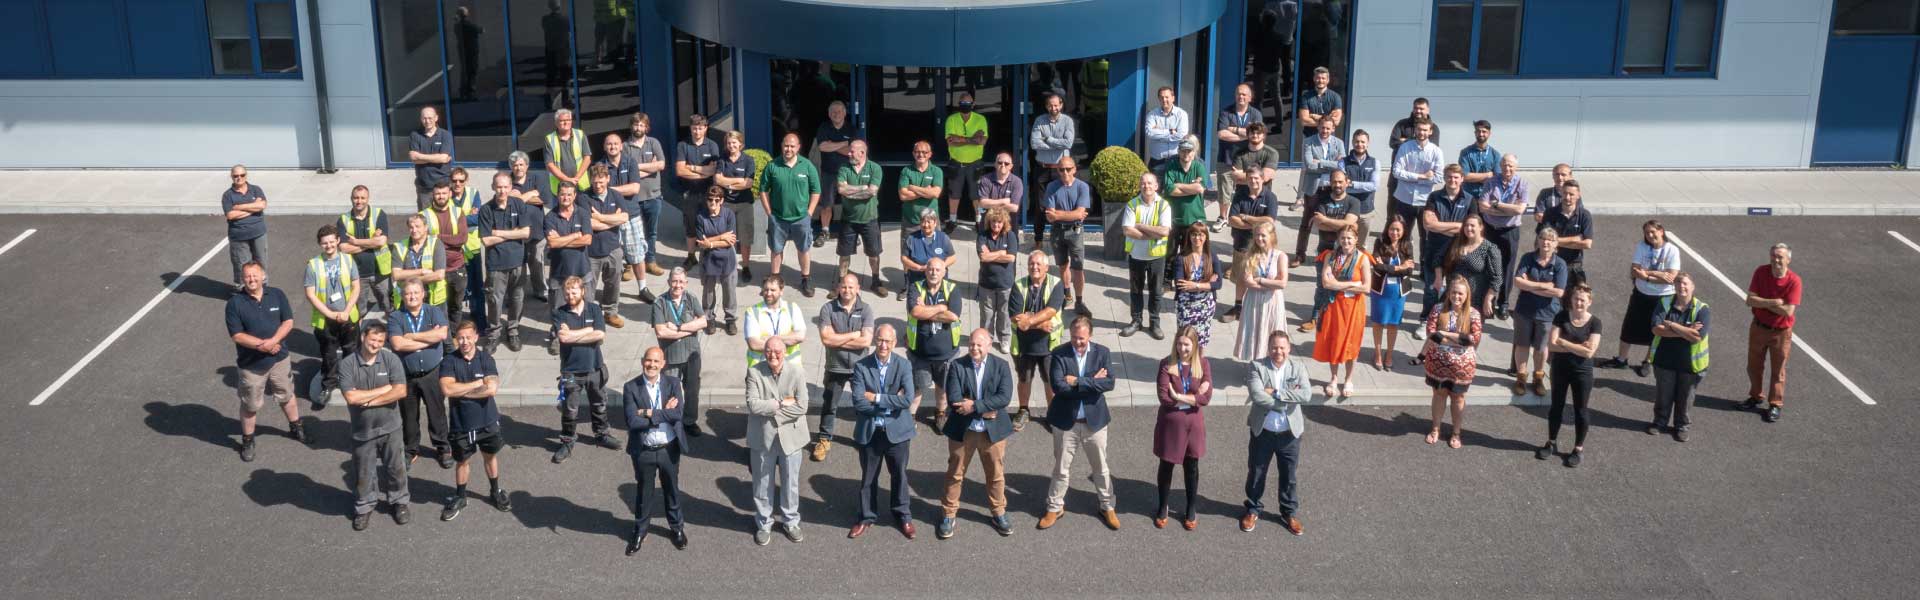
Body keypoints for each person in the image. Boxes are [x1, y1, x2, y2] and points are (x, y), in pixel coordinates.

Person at [1038, 315, 1120, 531]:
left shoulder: (1102, 353)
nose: (1078, 342)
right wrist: (1093, 383)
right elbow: (1059, 387)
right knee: (1061, 468)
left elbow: (1109, 383)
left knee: (1100, 468)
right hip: (1066, 422)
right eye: (1074, 337)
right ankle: (1055, 506)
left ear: (1090, 335)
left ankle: (1107, 506)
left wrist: (1077, 381)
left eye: (1082, 338)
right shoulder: (1059, 353)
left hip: (1095, 423)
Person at [938, 329, 1016, 539]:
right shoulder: (957, 365)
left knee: (996, 475)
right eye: (972, 344)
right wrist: (984, 410)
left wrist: (973, 406)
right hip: (963, 430)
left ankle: (998, 512)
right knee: (955, 474)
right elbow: (954, 399)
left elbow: (1004, 397)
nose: (974, 348)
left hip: (993, 432)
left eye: (979, 345)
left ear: (989, 345)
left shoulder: (1001, 366)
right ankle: (948, 514)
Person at [225, 261, 303, 461]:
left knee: (287, 395)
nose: (251, 279)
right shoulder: (234, 303)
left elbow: (288, 322)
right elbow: (237, 335)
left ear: (263, 276)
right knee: (250, 405)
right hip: (251, 365)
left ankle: (296, 427)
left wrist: (273, 342)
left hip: (279, 359)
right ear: (242, 279)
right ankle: (248, 440)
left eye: (255, 275)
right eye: (247, 276)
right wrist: (263, 345)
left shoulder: (277, 294)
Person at [437, 320, 513, 520]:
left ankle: (495, 491)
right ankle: (461, 496)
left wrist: (461, 391)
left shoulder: (486, 359)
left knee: (490, 457)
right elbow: (447, 389)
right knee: (462, 461)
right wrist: (477, 384)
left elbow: (491, 389)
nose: (464, 342)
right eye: (460, 338)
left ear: (476, 337)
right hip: (461, 425)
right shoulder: (449, 361)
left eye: (468, 337)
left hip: (487, 422)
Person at [849, 325, 918, 539]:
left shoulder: (904, 365)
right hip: (871, 432)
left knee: (900, 475)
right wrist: (891, 403)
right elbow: (858, 402)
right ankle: (866, 517)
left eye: (888, 341)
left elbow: (907, 400)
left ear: (894, 343)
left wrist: (876, 398)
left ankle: (903, 515)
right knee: (868, 478)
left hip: (897, 432)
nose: (883, 345)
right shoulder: (861, 366)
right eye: (880, 340)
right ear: (874, 341)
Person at [338, 320, 408, 530]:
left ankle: (399, 501)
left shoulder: (390, 359)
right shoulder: (347, 364)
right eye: (372, 340)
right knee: (364, 471)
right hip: (363, 431)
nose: (376, 344)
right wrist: (384, 390)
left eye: (380, 341)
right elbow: (351, 397)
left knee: (396, 468)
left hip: (391, 427)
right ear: (362, 337)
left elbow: (400, 391)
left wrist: (369, 401)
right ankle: (364, 506)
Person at [621, 347, 690, 553]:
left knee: (672, 489)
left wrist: (648, 413)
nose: (651, 365)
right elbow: (632, 421)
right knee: (644, 492)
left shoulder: (673, 383)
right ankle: (640, 530)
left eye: (656, 361)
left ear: (663, 364)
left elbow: (678, 414)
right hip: (644, 450)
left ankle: (677, 528)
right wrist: (663, 413)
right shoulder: (631, 387)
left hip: (669, 449)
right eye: (648, 360)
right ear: (642, 361)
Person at [1243, 331, 1310, 535]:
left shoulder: (1298, 367)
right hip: (1263, 432)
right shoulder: (1257, 366)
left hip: (1289, 434)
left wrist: (1276, 392)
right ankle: (1252, 509)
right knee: (1256, 473)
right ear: (1268, 348)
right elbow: (1257, 395)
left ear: (1289, 348)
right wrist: (1286, 403)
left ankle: (1289, 513)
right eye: (1274, 347)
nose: (1278, 351)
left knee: (1289, 476)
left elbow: (1306, 394)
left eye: (1282, 347)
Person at [550, 276, 620, 462]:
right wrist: (588, 330)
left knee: (599, 404)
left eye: (574, 292)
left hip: (595, 368)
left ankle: (602, 434)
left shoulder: (594, 309)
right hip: (570, 372)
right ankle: (567, 442)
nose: (570, 296)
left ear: (582, 291)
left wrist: (574, 334)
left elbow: (600, 334)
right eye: (567, 293)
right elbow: (564, 338)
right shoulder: (559, 313)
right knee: (569, 410)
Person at [746, 343, 810, 546]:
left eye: (777, 351)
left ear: (785, 352)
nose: (773, 355)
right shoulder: (754, 372)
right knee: (762, 483)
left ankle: (791, 521)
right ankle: (764, 523)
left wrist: (772, 411)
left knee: (790, 482)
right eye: (768, 351)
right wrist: (780, 404)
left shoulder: (797, 372)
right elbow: (753, 404)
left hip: (791, 438)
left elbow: (802, 406)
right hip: (763, 437)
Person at [1152, 326, 1212, 531]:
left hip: (1193, 426)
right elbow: (1164, 397)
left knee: (1191, 466)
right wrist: (1193, 398)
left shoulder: (1203, 364)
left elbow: (1206, 398)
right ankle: (1163, 506)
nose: (1182, 348)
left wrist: (1179, 396)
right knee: (1166, 465)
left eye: (1186, 344)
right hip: (1171, 425)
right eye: (1179, 343)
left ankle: (1191, 508)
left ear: (1194, 345)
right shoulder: (1166, 364)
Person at [1603, 220, 1680, 377]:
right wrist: (1658, 274)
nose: (1650, 235)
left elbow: (1671, 278)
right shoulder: (1642, 247)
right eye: (1647, 232)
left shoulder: (1672, 250)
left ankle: (1648, 361)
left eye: (1653, 231)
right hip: (1641, 293)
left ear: (1661, 231)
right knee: (1629, 326)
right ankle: (1621, 359)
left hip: (1663, 297)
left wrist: (1647, 275)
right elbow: (1634, 271)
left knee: (1656, 329)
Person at [389, 279, 452, 467]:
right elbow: (397, 344)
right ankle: (411, 449)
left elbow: (442, 334)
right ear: (402, 296)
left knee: (437, 412)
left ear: (423, 294)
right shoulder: (396, 317)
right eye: (408, 293)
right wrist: (428, 340)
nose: (412, 296)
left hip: (432, 373)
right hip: (406, 376)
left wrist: (412, 337)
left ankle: (443, 448)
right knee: (409, 416)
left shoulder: (434, 311)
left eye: (416, 292)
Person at [812, 273, 874, 462]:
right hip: (835, 367)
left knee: (863, 404)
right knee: (830, 405)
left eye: (851, 287)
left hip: (860, 368)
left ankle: (864, 437)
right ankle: (824, 439)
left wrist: (837, 339)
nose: (847, 290)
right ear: (839, 288)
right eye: (844, 286)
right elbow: (826, 339)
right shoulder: (827, 308)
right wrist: (853, 335)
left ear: (858, 289)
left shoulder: (866, 309)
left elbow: (866, 341)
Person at [1540, 283, 1600, 468]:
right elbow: (1552, 345)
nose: (1578, 303)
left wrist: (1564, 343)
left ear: (1589, 302)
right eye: (1576, 299)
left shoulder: (1595, 323)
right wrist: (1579, 347)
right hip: (1560, 369)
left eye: (1582, 300)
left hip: (1582, 372)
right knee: (1556, 406)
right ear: (1571, 300)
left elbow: (1589, 353)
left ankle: (1578, 448)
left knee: (1581, 410)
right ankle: (1551, 442)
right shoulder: (1561, 316)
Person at [304, 224, 362, 410]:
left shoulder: (348, 260)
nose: (329, 245)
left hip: (348, 315)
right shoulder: (313, 265)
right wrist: (329, 314)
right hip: (325, 319)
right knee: (328, 354)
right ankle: (329, 385)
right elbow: (310, 294)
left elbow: (356, 286)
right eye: (324, 243)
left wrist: (347, 310)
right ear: (320, 244)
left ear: (338, 241)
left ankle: (350, 382)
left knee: (351, 350)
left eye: (331, 241)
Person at [1422, 276, 1484, 449]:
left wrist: (1446, 334)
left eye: (1460, 294)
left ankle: (1456, 432)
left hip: (1462, 368)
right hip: (1437, 364)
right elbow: (1432, 334)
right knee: (1439, 394)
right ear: (1449, 293)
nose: (1456, 296)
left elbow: (1473, 339)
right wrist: (1459, 339)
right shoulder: (1437, 309)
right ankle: (1435, 429)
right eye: (1454, 292)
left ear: (1467, 295)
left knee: (1458, 398)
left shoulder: (1474, 314)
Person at [1648, 273, 1710, 442]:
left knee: (1686, 398)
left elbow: (1697, 337)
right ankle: (1659, 422)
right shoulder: (1664, 303)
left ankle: (1682, 426)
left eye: (1685, 283)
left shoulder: (1702, 309)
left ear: (1692, 286)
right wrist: (1686, 330)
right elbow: (1656, 329)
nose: (1681, 287)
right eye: (1678, 283)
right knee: (1663, 395)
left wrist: (1672, 325)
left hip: (1690, 365)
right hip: (1664, 360)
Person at [1009, 250, 1066, 432]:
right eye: (1031, 264)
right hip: (1024, 345)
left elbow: (1051, 310)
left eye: (1038, 264)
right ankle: (1023, 410)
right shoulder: (1018, 285)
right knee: (1024, 378)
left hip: (1049, 345)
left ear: (1046, 267)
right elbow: (1016, 316)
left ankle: (1053, 413)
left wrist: (1028, 320)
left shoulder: (1057, 284)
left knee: (1050, 380)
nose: (1034, 267)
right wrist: (1040, 324)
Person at [761, 133, 823, 296]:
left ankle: (806, 279)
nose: (788, 149)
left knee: (803, 249)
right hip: (778, 218)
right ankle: (774, 280)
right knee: (776, 250)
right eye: (786, 145)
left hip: (801, 218)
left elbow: (816, 191)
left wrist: (809, 212)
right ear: (782, 146)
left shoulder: (807, 166)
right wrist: (769, 213)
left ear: (798, 147)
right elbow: (763, 190)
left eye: (792, 146)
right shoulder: (772, 166)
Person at [1744, 243, 1800, 423]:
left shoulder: (1794, 281)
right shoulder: (1761, 272)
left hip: (1781, 333)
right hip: (1759, 327)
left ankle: (1775, 403)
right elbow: (1750, 300)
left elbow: (1788, 311)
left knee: (1778, 370)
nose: (1776, 260)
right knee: (1753, 366)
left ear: (1788, 260)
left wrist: (1762, 302)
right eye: (1773, 256)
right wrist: (1774, 302)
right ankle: (1755, 396)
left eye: (1780, 257)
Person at [1509, 229, 1569, 397]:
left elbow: (1559, 292)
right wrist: (1544, 286)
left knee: (1541, 348)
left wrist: (1529, 285)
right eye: (1543, 238)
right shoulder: (1528, 258)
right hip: (1524, 311)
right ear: (1538, 240)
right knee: (1522, 344)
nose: (1546, 242)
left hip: (1547, 314)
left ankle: (1538, 378)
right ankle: (1521, 378)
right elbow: (1517, 281)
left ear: (1556, 244)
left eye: (1550, 240)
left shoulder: (1560, 264)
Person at [1314, 226, 1371, 398]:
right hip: (1334, 306)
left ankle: (1348, 379)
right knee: (1334, 340)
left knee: (1352, 343)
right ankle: (1333, 378)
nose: (1346, 241)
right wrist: (1352, 284)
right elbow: (1326, 283)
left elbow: (1366, 287)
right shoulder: (1330, 256)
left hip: (1354, 308)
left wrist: (1337, 285)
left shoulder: (1363, 258)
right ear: (1338, 239)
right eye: (1343, 238)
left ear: (1356, 239)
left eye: (1349, 238)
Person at [478, 173, 531, 353]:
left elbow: (525, 233)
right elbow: (486, 240)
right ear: (493, 187)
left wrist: (498, 232)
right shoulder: (486, 210)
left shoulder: (519, 204)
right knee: (494, 301)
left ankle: (513, 331)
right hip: (496, 265)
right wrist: (513, 233)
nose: (502, 190)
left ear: (511, 187)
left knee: (517, 299)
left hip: (518, 262)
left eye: (505, 187)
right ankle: (493, 335)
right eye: (499, 187)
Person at [909, 260, 965, 432]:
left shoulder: (952, 289)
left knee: (943, 388)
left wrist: (926, 310)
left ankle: (940, 413)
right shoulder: (915, 287)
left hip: (946, 354)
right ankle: (910, 416)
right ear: (926, 271)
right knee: (917, 388)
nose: (933, 272)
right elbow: (915, 312)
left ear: (944, 272)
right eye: (931, 269)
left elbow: (953, 316)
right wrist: (941, 307)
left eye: (937, 270)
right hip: (921, 354)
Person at [652, 268, 708, 437]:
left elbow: (703, 322)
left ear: (686, 283)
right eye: (674, 281)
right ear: (669, 282)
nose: (678, 285)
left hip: (692, 355)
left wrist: (677, 328)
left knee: (692, 390)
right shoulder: (659, 302)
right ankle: (673, 420)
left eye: (681, 282)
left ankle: (689, 421)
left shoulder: (691, 298)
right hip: (670, 357)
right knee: (671, 391)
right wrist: (689, 330)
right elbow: (661, 332)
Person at [1418, 166, 1474, 332]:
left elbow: (1471, 228)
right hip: (1433, 250)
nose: (1452, 180)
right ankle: (1425, 321)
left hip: (1457, 254)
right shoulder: (1434, 197)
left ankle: (1448, 323)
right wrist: (1457, 226)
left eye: (1456, 177)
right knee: (1431, 290)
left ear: (1462, 179)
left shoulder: (1470, 200)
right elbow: (1428, 224)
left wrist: (1440, 226)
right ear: (1444, 177)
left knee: (1454, 290)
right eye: (1449, 176)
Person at [600, 133, 653, 298]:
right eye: (609, 144)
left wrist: (609, 190)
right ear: (604, 147)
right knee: (611, 258)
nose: (613, 147)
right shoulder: (599, 166)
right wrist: (620, 189)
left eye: (616, 143)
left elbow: (634, 188)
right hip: (609, 219)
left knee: (637, 254)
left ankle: (643, 289)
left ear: (621, 146)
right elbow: (599, 190)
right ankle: (611, 293)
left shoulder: (630, 162)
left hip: (631, 215)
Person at [1121, 171, 1173, 339]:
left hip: (1156, 257)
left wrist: (1140, 226)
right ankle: (1136, 321)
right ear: (1139, 185)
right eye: (1143, 183)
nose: (1146, 186)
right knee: (1135, 291)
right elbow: (1127, 230)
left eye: (1150, 183)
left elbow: (1164, 231)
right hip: (1136, 256)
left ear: (1156, 186)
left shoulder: (1164, 205)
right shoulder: (1132, 204)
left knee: (1156, 292)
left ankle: (1154, 323)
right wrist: (1152, 234)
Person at [1225, 169, 1281, 323]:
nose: (1253, 181)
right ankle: (1238, 307)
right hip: (1242, 243)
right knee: (1241, 278)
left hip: (1263, 246)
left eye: (1256, 178)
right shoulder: (1240, 194)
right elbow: (1232, 220)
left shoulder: (1270, 197)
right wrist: (1258, 225)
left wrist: (1246, 217)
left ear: (1263, 179)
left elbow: (1270, 221)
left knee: (1260, 276)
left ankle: (1257, 307)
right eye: (1250, 178)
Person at [578, 165, 631, 328]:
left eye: (601, 182)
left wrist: (600, 217)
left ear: (608, 179)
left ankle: (610, 312)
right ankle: (587, 316)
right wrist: (613, 219)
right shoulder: (583, 197)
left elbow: (624, 217)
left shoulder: (616, 195)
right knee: (588, 287)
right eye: (595, 182)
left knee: (613, 283)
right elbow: (589, 224)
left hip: (613, 249)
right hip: (591, 251)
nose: (598, 186)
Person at [543, 185, 594, 344]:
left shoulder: (583, 214)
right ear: (557, 195)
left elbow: (587, 240)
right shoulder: (550, 217)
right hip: (559, 273)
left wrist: (561, 240)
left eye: (569, 194)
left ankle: (585, 336)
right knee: (557, 309)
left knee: (587, 307)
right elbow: (552, 243)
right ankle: (557, 337)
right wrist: (575, 236)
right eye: (563, 194)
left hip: (582, 270)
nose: (566, 198)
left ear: (575, 195)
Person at [1479, 153, 1528, 320]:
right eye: (1505, 165)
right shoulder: (1490, 182)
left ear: (1516, 167)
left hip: (1510, 231)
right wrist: (1508, 210)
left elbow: (1520, 209)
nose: (1507, 168)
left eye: (1511, 165)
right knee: (1488, 264)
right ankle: (1488, 300)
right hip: (1490, 229)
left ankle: (1503, 303)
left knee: (1508, 267)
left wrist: (1497, 205)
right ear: (1500, 166)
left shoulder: (1522, 183)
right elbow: (1483, 206)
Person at [835, 139, 886, 294]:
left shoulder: (875, 168)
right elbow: (841, 190)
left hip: (869, 219)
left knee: (873, 253)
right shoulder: (844, 168)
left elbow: (872, 191)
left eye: (852, 151)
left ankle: (876, 281)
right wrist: (863, 188)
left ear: (862, 152)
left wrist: (850, 191)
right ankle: (841, 283)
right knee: (844, 254)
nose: (848, 154)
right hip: (848, 219)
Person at [1042, 156, 1092, 313]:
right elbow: (1050, 217)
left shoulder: (1082, 187)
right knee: (1063, 265)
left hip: (1075, 231)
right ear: (1058, 170)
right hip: (1057, 230)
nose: (1065, 172)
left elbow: (1079, 213)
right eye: (1061, 169)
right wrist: (1073, 214)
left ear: (1074, 169)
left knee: (1078, 267)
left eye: (1068, 169)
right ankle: (1067, 295)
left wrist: (1058, 214)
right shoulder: (1052, 186)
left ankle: (1079, 301)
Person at [1233, 222, 1288, 361]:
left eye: (1263, 235)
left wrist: (1261, 280)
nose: (1259, 238)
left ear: (1272, 236)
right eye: (1257, 235)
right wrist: (1271, 285)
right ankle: (1255, 363)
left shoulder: (1280, 256)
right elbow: (1248, 281)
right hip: (1254, 300)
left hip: (1273, 301)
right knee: (1254, 331)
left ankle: (1272, 363)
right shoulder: (1251, 255)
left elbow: (1282, 283)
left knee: (1272, 331)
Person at [423, 182, 476, 325]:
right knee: (436, 306)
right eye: (438, 193)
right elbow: (424, 241)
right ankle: (440, 333)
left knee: (456, 306)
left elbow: (462, 239)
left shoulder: (458, 212)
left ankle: (453, 333)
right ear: (433, 195)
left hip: (456, 268)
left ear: (450, 194)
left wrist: (437, 237)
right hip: (434, 269)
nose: (441, 196)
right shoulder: (424, 215)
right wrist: (451, 241)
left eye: (444, 193)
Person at [1161, 136, 1212, 281]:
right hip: (1174, 218)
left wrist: (1178, 185)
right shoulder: (1172, 166)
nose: (1186, 154)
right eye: (1183, 151)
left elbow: (1200, 188)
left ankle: (1184, 281)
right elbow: (1169, 190)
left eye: (1189, 151)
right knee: (1170, 252)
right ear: (1179, 152)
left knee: (1189, 252)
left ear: (1194, 152)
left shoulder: (1199, 166)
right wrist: (1191, 188)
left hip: (1194, 218)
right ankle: (1167, 280)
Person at [691, 187, 741, 335]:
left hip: (727, 257)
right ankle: (709, 318)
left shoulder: (728, 214)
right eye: (710, 199)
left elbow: (730, 241)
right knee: (708, 290)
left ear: (722, 201)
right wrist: (721, 237)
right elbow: (701, 243)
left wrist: (711, 243)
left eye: (716, 200)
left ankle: (730, 319)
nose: (713, 203)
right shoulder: (701, 217)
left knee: (729, 290)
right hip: (708, 258)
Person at [674, 115, 722, 269]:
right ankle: (691, 257)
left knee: (710, 223)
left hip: (708, 193)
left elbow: (713, 170)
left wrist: (693, 168)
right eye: (694, 128)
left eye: (700, 128)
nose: (697, 131)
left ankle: (710, 255)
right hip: (689, 192)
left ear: (706, 128)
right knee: (691, 225)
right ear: (690, 128)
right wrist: (703, 172)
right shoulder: (683, 145)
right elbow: (680, 171)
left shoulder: (712, 145)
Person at [1214, 82, 1263, 232]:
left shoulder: (1256, 114)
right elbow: (1221, 134)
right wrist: (1246, 134)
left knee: (1248, 189)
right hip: (1226, 158)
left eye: (1244, 94)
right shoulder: (1225, 112)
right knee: (1224, 190)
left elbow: (1257, 134)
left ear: (1250, 97)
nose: (1241, 97)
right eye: (1238, 94)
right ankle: (1223, 217)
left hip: (1249, 159)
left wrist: (1233, 129)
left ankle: (1245, 216)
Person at [1369, 217, 1416, 370]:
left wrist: (1389, 268)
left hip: (1398, 292)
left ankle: (1389, 355)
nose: (1394, 233)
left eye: (1398, 230)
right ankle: (1377, 354)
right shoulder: (1380, 242)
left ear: (1404, 231)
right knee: (1378, 322)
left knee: (1393, 324)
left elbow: (1409, 270)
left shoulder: (1407, 245)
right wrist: (1399, 268)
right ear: (1387, 229)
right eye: (1392, 229)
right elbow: (1377, 267)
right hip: (1380, 291)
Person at [626, 112, 670, 276]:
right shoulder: (625, 147)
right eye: (636, 124)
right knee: (632, 233)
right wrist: (650, 168)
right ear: (632, 126)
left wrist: (637, 167)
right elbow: (626, 172)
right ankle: (631, 264)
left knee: (651, 233)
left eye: (642, 125)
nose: (638, 128)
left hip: (653, 196)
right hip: (633, 198)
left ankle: (650, 261)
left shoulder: (653, 143)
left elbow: (661, 165)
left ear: (646, 127)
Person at [1295, 169, 1359, 280]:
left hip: (1346, 253)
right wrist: (1344, 227)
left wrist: (1325, 220)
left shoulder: (1354, 202)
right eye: (1334, 182)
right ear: (1330, 182)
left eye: (1340, 182)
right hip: (1324, 251)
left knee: (1342, 284)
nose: (1337, 185)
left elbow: (1349, 223)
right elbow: (1319, 225)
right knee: (1322, 284)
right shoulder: (1322, 201)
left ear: (1347, 182)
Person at [1391, 119, 1443, 253]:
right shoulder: (1405, 148)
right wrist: (1422, 177)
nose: (1421, 132)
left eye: (1425, 130)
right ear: (1415, 130)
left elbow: (1438, 177)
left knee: (1426, 237)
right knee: (1402, 235)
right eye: (1419, 129)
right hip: (1404, 199)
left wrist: (1410, 178)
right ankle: (1404, 263)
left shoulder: (1436, 151)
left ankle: (1424, 266)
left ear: (1430, 132)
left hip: (1425, 201)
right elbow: (1396, 172)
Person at [1029, 92, 1076, 244]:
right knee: (1040, 207)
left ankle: (1061, 240)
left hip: (1061, 170)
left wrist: (1048, 139)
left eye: (1056, 105)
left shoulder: (1067, 121)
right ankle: (1038, 240)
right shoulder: (1039, 120)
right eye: (1050, 105)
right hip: (1042, 169)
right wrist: (1057, 144)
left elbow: (1068, 143)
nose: (1053, 108)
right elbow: (1034, 143)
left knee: (1062, 205)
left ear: (1061, 105)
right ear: (1046, 106)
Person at [338, 186, 392, 316]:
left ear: (368, 199)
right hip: (357, 274)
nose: (359, 201)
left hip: (381, 273)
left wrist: (356, 242)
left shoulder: (379, 214)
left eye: (363, 198)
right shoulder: (343, 220)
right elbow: (344, 248)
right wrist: (372, 241)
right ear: (351, 198)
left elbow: (381, 241)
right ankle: (361, 329)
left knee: (388, 306)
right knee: (359, 310)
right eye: (356, 198)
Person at [1438, 213, 1502, 321]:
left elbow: (1497, 278)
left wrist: (1488, 299)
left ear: (1481, 227)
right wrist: (1438, 278)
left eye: (1472, 225)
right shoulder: (1456, 241)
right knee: (1445, 326)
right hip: (1453, 295)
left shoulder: (1489, 249)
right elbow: (1438, 258)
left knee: (1468, 330)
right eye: (1466, 225)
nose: (1468, 228)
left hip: (1475, 299)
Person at [505, 151, 551, 303]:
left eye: (521, 164)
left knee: (537, 262)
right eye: (515, 165)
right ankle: (516, 294)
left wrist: (518, 197)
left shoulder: (538, 178)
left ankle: (541, 291)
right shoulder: (507, 181)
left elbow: (543, 199)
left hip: (536, 229)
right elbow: (505, 201)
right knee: (517, 265)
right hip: (515, 230)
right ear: (511, 167)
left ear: (527, 165)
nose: (518, 168)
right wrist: (530, 193)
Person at [713, 130, 758, 278]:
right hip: (727, 204)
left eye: (734, 143)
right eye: (729, 143)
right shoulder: (722, 159)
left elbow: (748, 183)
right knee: (727, 237)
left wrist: (727, 183)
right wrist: (738, 181)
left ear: (741, 144)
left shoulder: (748, 160)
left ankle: (745, 267)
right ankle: (728, 266)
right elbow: (717, 180)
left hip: (744, 204)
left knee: (745, 239)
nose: (731, 145)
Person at [814, 101, 861, 244]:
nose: (836, 114)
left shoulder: (851, 129)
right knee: (826, 204)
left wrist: (832, 145)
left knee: (851, 203)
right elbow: (822, 147)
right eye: (833, 112)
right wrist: (844, 143)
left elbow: (852, 151)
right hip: (828, 173)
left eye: (839, 111)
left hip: (848, 173)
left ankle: (853, 232)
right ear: (829, 114)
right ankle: (825, 231)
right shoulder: (824, 127)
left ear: (845, 113)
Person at [1172, 224, 1226, 345]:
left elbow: (1218, 284)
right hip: (1185, 306)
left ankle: (1200, 359)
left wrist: (1195, 285)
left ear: (1206, 237)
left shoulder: (1212, 257)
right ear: (1189, 237)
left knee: (1202, 339)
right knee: (1184, 339)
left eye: (1201, 235)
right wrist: (1207, 284)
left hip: (1206, 306)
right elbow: (1181, 285)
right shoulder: (1181, 258)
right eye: (1194, 234)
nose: (1197, 238)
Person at [944, 91, 990, 230]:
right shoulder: (951, 119)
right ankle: (952, 220)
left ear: (973, 104)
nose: (965, 105)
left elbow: (982, 141)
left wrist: (960, 139)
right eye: (963, 103)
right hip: (956, 162)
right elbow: (951, 142)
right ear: (959, 104)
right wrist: (972, 139)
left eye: (968, 103)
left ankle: (979, 220)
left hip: (975, 163)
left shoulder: (980, 119)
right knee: (954, 193)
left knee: (977, 194)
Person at [977, 208, 1019, 353]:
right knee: (986, 315)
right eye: (994, 221)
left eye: (999, 222)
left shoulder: (1010, 236)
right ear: (989, 222)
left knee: (1004, 314)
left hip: (1005, 284)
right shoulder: (982, 236)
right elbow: (983, 257)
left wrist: (992, 255)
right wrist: (1001, 252)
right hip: (986, 284)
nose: (996, 225)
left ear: (1004, 223)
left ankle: (1004, 340)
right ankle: (986, 339)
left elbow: (1011, 258)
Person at [221, 165, 270, 288]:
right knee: (242, 266)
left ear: (246, 175)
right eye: (236, 176)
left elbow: (262, 205)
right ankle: (242, 289)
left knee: (261, 263)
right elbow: (231, 215)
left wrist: (239, 207)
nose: (239, 178)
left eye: (242, 175)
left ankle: (263, 288)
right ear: (231, 176)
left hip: (258, 234)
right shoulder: (227, 195)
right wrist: (253, 207)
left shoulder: (256, 189)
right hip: (239, 236)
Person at [745, 275, 808, 370]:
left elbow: (800, 336)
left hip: (790, 368)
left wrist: (772, 339)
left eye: (773, 290)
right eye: (766, 290)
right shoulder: (752, 312)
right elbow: (754, 344)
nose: (768, 293)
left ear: (781, 291)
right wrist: (788, 337)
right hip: (761, 369)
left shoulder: (793, 308)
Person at [391, 214, 448, 315]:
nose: (414, 230)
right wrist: (422, 271)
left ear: (425, 227)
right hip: (409, 300)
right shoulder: (399, 246)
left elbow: (439, 275)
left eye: (417, 226)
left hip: (433, 300)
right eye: (411, 227)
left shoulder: (436, 244)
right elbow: (396, 275)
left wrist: (410, 281)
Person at [1540, 180, 1595, 284]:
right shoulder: (1550, 213)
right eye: (1565, 193)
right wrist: (1576, 239)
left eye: (1571, 194)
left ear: (1578, 195)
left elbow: (1587, 244)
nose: (1567, 197)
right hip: (1553, 264)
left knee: (1578, 294)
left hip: (1575, 267)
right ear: (1561, 193)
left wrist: (1555, 241)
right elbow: (1546, 240)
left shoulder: (1585, 215)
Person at [898, 141, 946, 250]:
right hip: (910, 220)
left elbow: (935, 193)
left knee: (934, 252)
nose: (921, 155)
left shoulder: (936, 171)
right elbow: (903, 196)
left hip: (932, 221)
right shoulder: (906, 171)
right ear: (913, 153)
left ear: (930, 154)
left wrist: (913, 187)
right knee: (908, 254)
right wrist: (926, 191)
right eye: (917, 152)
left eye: (924, 152)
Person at [1339, 129, 1381, 245]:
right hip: (1347, 209)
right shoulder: (1343, 162)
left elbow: (1374, 186)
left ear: (1368, 143)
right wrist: (1365, 186)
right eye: (1357, 141)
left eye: (1363, 142)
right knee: (1345, 242)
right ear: (1352, 142)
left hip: (1366, 209)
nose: (1360, 144)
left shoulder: (1375, 162)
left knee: (1361, 244)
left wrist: (1353, 184)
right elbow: (1342, 186)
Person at [902, 208, 957, 295]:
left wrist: (941, 266)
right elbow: (904, 258)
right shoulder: (911, 238)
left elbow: (952, 257)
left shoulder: (943, 237)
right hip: (918, 281)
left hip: (939, 283)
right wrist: (919, 267)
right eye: (923, 221)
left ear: (935, 223)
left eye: (928, 222)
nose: (925, 225)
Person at [1297, 119, 1346, 212]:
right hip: (1313, 187)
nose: (1325, 131)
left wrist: (1320, 162)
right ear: (1318, 127)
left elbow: (1341, 166)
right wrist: (1332, 166)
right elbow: (1309, 166)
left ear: (1333, 129)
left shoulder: (1339, 143)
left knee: (1332, 216)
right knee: (1309, 217)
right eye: (1322, 127)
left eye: (1328, 128)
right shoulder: (1308, 142)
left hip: (1332, 187)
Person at [409, 107, 453, 209]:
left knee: (444, 215)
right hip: (424, 187)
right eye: (424, 118)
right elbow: (414, 159)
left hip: (443, 186)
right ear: (421, 119)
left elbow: (443, 158)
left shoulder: (445, 135)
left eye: (430, 118)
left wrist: (420, 157)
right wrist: (437, 158)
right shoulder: (415, 135)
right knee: (425, 217)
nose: (427, 121)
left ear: (436, 118)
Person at [976, 153, 1024, 239]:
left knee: (1011, 247)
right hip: (988, 224)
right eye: (1000, 162)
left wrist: (990, 204)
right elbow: (982, 203)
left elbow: (1014, 208)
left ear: (1011, 166)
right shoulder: (985, 179)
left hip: (1009, 225)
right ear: (995, 164)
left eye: (1006, 163)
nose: (1003, 165)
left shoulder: (1017, 182)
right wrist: (1004, 201)